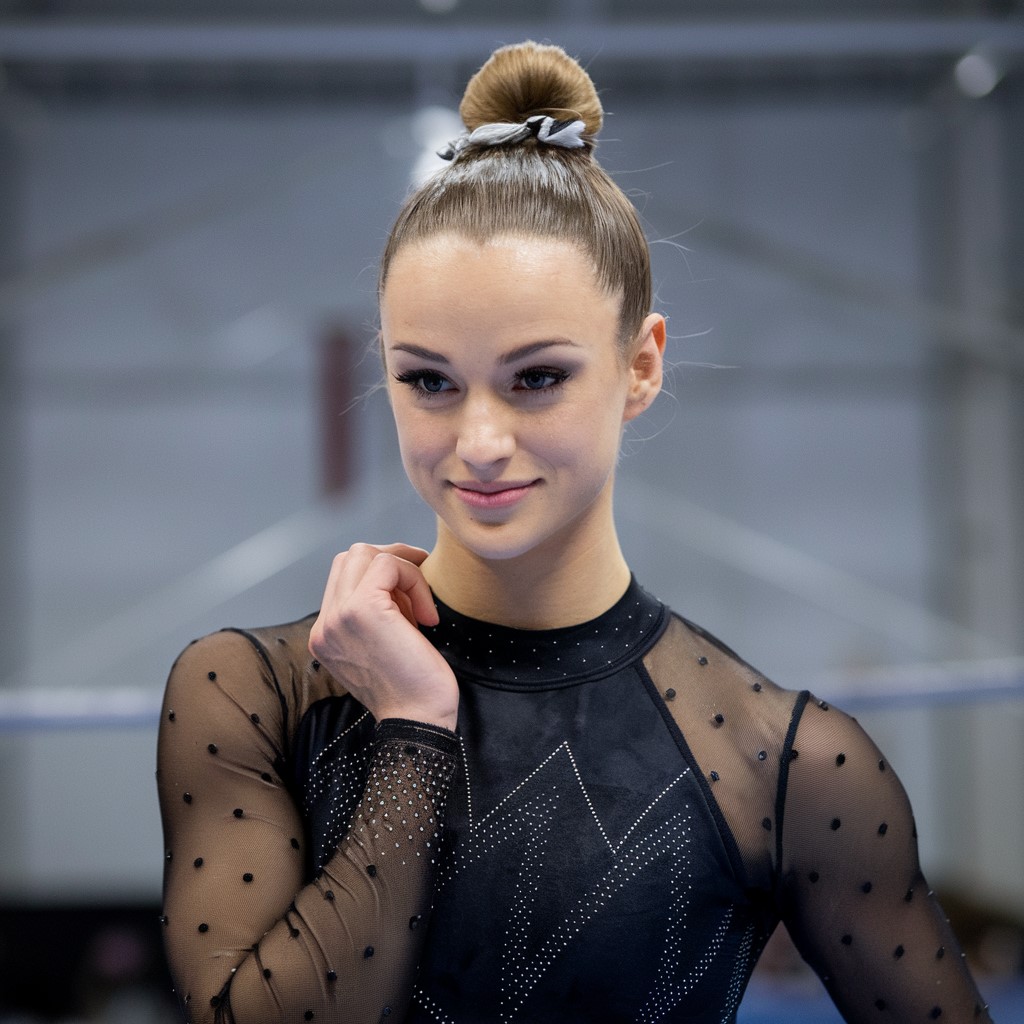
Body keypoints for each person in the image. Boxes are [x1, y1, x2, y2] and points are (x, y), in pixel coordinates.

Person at [156, 41, 993, 1024]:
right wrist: (415, 731)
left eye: (536, 378)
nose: (477, 442)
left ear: (640, 367)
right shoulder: (254, 691)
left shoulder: (787, 760)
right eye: (428, 379)